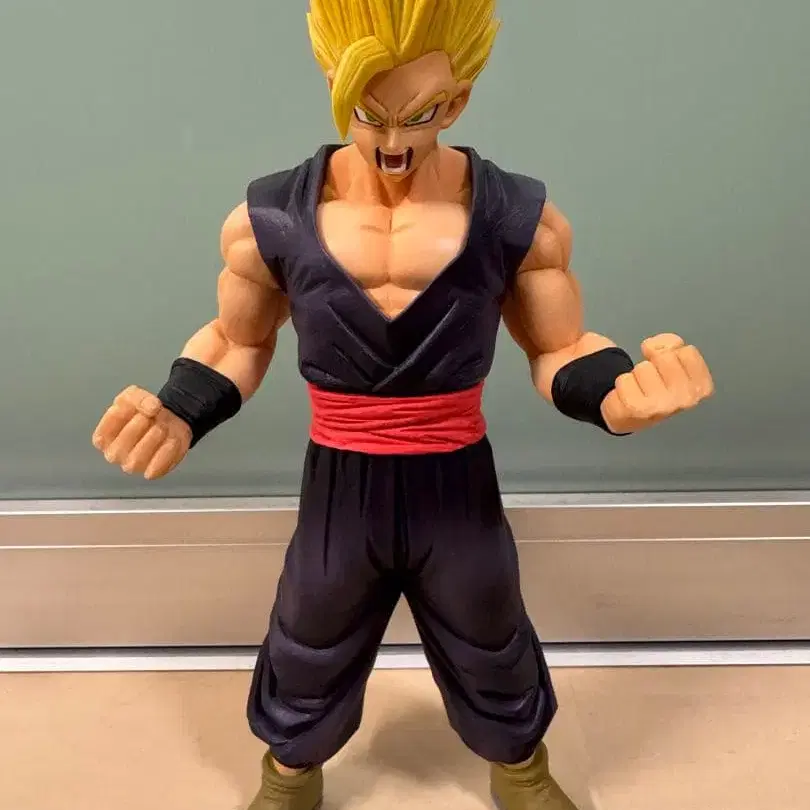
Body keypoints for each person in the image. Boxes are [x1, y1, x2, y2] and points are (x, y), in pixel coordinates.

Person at [92, 1, 715, 807]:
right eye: (369, 112)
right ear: (333, 84)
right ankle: (289, 775)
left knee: (489, 623)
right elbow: (236, 341)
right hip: (340, 477)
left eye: (418, 114)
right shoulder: (270, 218)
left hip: (455, 472)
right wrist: (180, 408)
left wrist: (618, 395)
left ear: (457, 101)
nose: (392, 141)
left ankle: (521, 770)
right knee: (310, 626)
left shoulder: (515, 216)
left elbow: (558, 347)